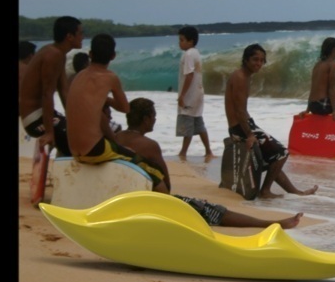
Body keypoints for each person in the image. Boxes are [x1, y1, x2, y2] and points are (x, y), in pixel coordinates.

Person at [116, 98, 302, 229]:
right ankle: (270, 224)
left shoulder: (115, 139)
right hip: (155, 206)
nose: (155, 119)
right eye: (154, 116)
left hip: (122, 202)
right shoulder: (149, 146)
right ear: (147, 118)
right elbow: (167, 185)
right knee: (216, 211)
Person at [65, 34, 168, 193]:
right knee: (152, 168)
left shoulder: (78, 77)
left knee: (123, 150)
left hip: (73, 148)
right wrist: (106, 99)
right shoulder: (110, 77)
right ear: (113, 56)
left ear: (90, 54)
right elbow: (125, 108)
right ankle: (165, 198)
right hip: (94, 149)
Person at [225, 44, 318, 199]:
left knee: (273, 157)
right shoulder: (240, 77)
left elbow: (241, 110)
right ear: (246, 59)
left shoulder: (243, 76)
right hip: (240, 128)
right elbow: (239, 110)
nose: (259, 64)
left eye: (262, 61)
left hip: (243, 125)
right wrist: (249, 134)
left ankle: (295, 192)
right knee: (281, 153)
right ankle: (265, 191)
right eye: (255, 59)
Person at [19, 17, 83, 156]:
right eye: (80, 33)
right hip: (34, 119)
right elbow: (47, 94)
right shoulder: (52, 55)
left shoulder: (59, 54)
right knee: (76, 141)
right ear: (69, 36)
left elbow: (64, 91)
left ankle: (62, 163)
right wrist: (49, 132)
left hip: (44, 115)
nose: (82, 37)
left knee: (79, 132)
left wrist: (73, 118)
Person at [176, 26, 215, 163]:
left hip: (190, 96)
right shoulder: (196, 53)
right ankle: (208, 151)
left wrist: (182, 96)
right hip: (198, 94)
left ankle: (183, 152)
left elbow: (189, 75)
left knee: (187, 123)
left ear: (190, 41)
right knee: (198, 123)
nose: (179, 43)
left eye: (182, 40)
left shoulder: (188, 55)